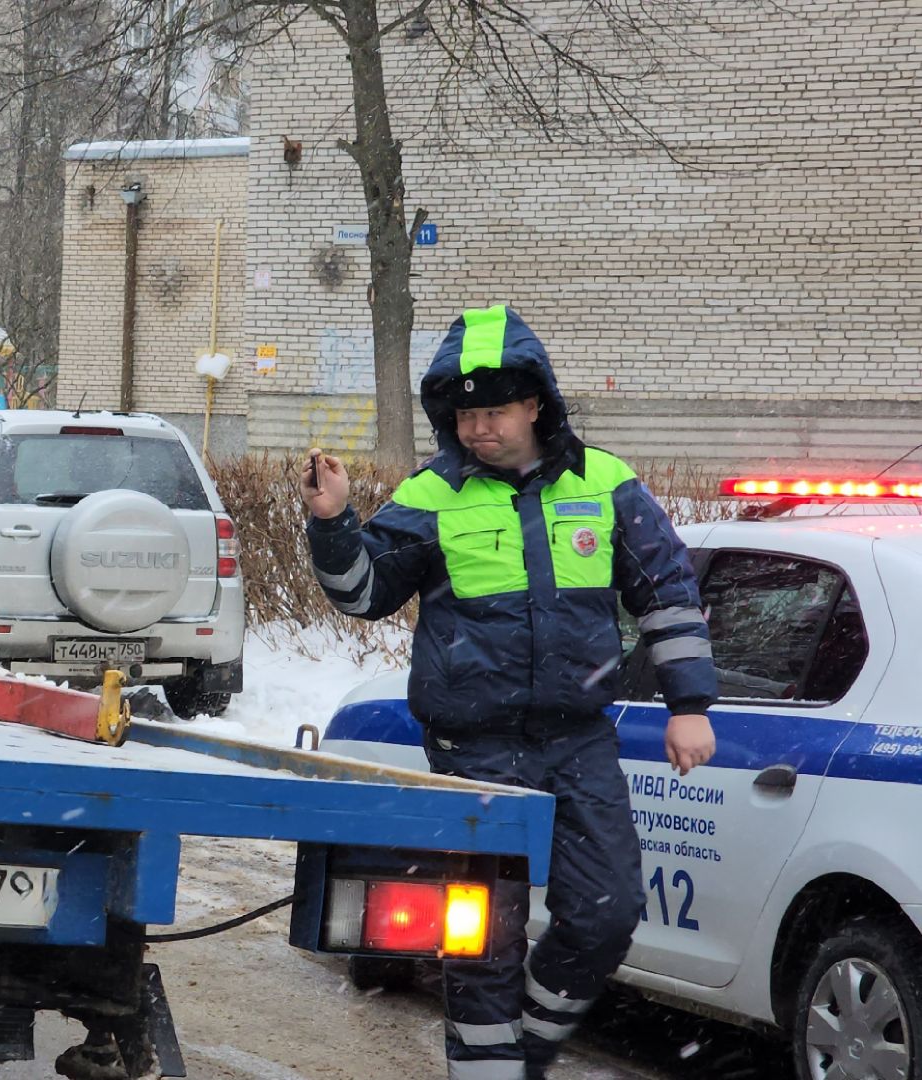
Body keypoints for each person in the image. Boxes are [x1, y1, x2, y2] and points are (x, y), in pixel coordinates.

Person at [297, 304, 717, 1080]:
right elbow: (362, 595)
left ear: (535, 405)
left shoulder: (608, 485)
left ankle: (518, 1054)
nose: (477, 428)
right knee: (483, 933)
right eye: (464, 413)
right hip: (473, 750)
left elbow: (669, 595)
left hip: (578, 742)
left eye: (493, 411)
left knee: (607, 912)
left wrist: (689, 706)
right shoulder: (432, 494)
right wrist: (332, 524)